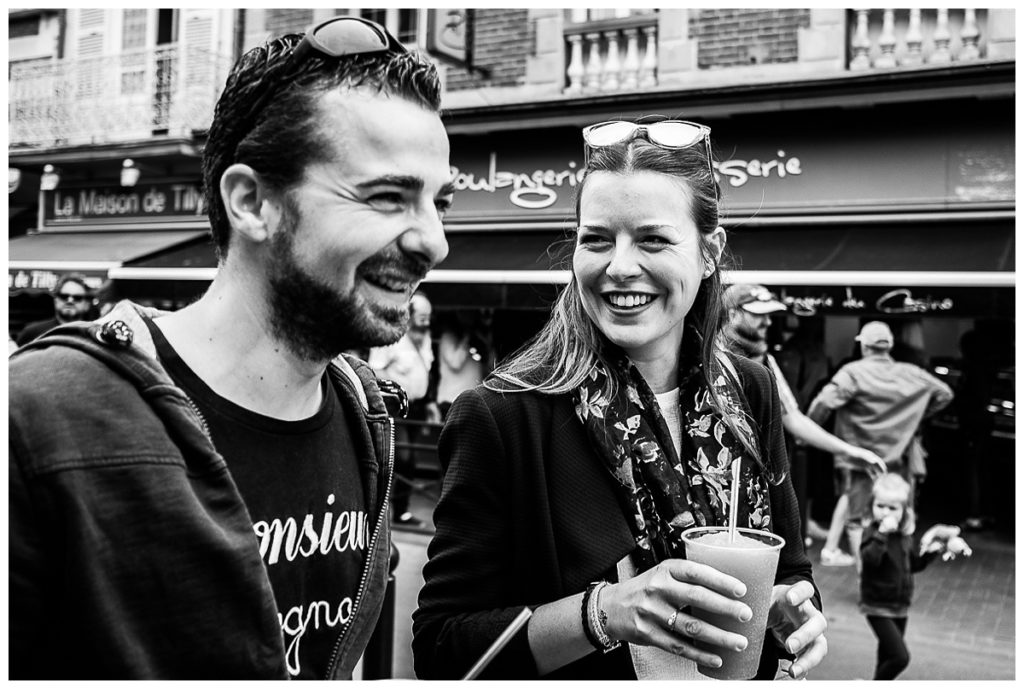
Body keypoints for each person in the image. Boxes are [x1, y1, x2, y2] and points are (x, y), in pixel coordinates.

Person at [9, 16, 454, 679]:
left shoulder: (370, 420)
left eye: (438, 202)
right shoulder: (43, 418)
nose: (434, 242)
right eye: (388, 196)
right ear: (251, 202)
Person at [412, 119, 827, 680]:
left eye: (653, 239)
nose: (620, 266)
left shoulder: (750, 389)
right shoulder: (504, 416)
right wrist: (603, 613)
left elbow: (793, 569)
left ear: (709, 253)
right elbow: (443, 650)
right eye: (597, 239)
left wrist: (794, 615)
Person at [722, 284, 885, 566]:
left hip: (754, 485)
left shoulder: (766, 363)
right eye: (759, 314)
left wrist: (849, 451)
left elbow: (793, 418)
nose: (768, 322)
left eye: (770, 315)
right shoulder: (708, 354)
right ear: (732, 314)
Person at [808, 321, 953, 572]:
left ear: (863, 345)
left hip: (858, 460)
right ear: (890, 346)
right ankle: (889, 573)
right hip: (897, 459)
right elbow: (944, 394)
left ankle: (868, 577)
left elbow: (822, 404)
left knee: (856, 519)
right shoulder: (911, 373)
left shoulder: (852, 372)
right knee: (897, 515)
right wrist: (915, 417)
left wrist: (810, 431)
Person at [859, 473, 972, 680]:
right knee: (899, 658)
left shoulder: (904, 537)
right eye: (880, 506)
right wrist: (882, 533)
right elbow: (870, 559)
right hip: (877, 605)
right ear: (871, 506)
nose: (885, 513)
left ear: (903, 511)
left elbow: (912, 565)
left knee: (886, 656)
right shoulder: (872, 532)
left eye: (892, 508)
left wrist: (933, 551)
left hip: (900, 606)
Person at [369, 291, 441, 527]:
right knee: (401, 459)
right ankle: (387, 513)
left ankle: (400, 512)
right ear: (408, 314)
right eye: (422, 315)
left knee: (409, 460)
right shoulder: (390, 338)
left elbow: (427, 371)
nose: (426, 320)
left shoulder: (425, 337)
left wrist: (430, 403)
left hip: (417, 407)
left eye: (428, 315)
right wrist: (395, 390)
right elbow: (374, 371)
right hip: (394, 409)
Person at [15, 272, 95, 346]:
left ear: (87, 305)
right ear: (56, 300)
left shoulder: (94, 334)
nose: (70, 301)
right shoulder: (32, 333)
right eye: (64, 296)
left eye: (77, 298)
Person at [435, 310, 489, 419]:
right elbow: (455, 363)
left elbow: (486, 364)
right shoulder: (448, 337)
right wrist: (467, 338)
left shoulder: (477, 341)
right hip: (450, 400)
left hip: (471, 401)